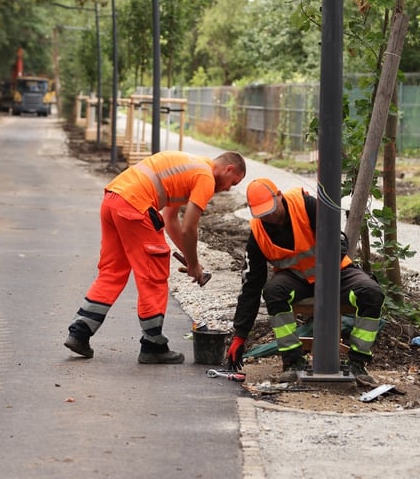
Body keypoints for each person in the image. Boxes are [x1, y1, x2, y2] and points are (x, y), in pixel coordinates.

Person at [64, 150, 246, 364]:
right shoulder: (205, 177)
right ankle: (153, 344)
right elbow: (189, 228)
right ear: (229, 169)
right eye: (232, 183)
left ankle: (79, 333)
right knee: (154, 275)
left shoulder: (191, 166)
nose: (226, 189)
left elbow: (171, 219)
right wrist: (194, 264)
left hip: (113, 199)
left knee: (112, 272)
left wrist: (190, 259)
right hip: (135, 205)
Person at [225, 178, 385, 384]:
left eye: (271, 210)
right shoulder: (258, 233)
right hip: (295, 278)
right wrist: (240, 334)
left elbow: (339, 242)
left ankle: (358, 362)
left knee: (371, 292)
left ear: (279, 196)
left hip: (336, 272)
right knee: (273, 291)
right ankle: (292, 362)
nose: (269, 217)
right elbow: (251, 286)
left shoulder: (306, 205)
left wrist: (326, 276)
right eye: (262, 214)